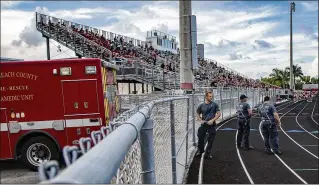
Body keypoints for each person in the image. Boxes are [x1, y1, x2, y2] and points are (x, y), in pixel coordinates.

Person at [195, 91, 221, 159]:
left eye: (212, 96)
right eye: (210, 96)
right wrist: (200, 120)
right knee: (200, 137)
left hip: (212, 125)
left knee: (211, 139)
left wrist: (212, 120)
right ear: (206, 97)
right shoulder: (201, 105)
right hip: (204, 124)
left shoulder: (215, 104)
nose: (211, 97)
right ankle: (200, 151)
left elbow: (219, 114)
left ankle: (208, 153)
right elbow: (197, 113)